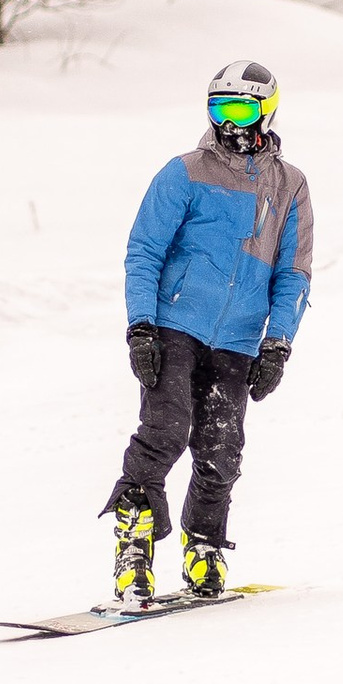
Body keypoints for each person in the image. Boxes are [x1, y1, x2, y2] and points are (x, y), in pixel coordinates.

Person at [105, 59, 314, 605]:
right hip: (176, 325)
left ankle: (204, 549)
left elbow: (294, 272)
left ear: (266, 109)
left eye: (241, 108)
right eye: (220, 107)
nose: (230, 121)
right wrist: (141, 327)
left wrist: (277, 342)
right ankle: (134, 548)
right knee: (166, 432)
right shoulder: (184, 172)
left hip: (238, 339)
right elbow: (144, 251)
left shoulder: (289, 185)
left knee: (222, 451)